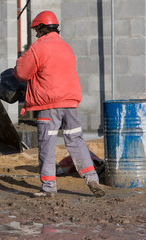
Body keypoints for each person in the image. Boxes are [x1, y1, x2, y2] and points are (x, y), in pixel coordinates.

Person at [13, 10, 105, 198]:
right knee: (76, 141)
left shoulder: (39, 47)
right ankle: (92, 178)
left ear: (40, 28)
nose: (36, 34)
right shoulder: (66, 47)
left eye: (36, 30)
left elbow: (21, 73)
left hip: (49, 105)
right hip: (70, 103)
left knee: (47, 144)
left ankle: (48, 189)